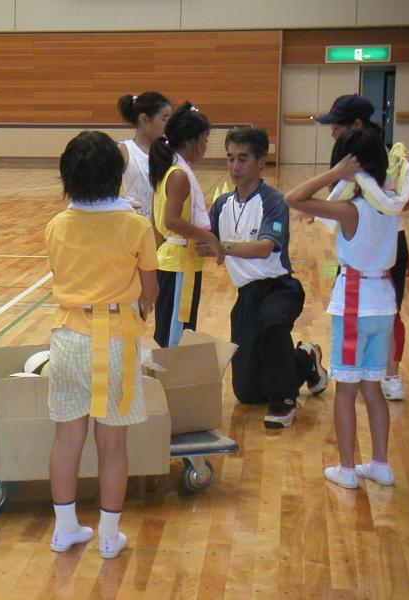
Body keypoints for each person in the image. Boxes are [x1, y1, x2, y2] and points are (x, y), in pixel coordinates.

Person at [45, 131, 158, 560]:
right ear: (117, 173)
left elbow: (60, 272)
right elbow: (150, 289)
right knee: (112, 445)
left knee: (66, 440)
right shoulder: (135, 225)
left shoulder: (57, 225)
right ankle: (109, 536)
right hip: (115, 340)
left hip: (68, 337)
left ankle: (65, 529)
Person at [284, 128, 398, 489]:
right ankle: (380, 464)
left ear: (351, 165)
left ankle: (347, 468)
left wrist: (335, 174)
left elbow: (293, 197)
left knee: (346, 390)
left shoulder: (350, 210)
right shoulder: (391, 204)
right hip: (384, 304)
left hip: (354, 305)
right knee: (372, 388)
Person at [199, 127, 327, 430]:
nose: (235, 166)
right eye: (230, 158)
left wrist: (222, 247)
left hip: (280, 288)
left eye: (242, 159)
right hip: (247, 295)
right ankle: (305, 358)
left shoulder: (274, 201)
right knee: (247, 393)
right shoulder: (221, 204)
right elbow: (204, 241)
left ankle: (284, 399)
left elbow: (265, 247)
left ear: (260, 162)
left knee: (272, 323)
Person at [317, 94, 409, 401]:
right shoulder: (348, 156)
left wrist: (387, 207)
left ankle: (389, 374)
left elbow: (406, 198)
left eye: (337, 126)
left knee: (388, 310)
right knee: (364, 308)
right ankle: (362, 372)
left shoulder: (388, 159)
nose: (332, 132)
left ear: (356, 124)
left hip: (387, 242)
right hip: (359, 236)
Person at [149, 102, 222, 347]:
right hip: (178, 262)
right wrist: (208, 236)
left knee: (176, 329)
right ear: (192, 141)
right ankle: (169, 371)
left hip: (177, 259)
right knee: (175, 335)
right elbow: (171, 220)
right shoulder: (178, 175)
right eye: (205, 140)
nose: (206, 147)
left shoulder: (170, 170)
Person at [116, 92, 172, 218]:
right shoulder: (124, 151)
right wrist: (122, 203)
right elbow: (105, 189)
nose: (168, 125)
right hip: (134, 222)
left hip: (161, 223)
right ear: (144, 119)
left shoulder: (169, 153)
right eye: (164, 119)